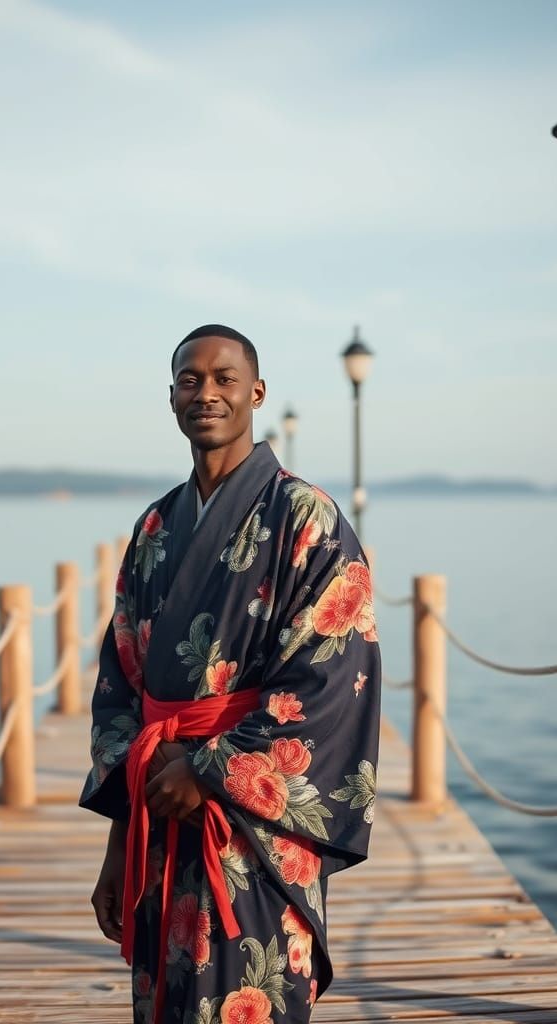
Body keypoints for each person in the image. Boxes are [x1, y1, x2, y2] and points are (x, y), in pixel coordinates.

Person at [79, 324, 381, 1024]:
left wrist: (210, 770)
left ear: (256, 393)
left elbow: (329, 683)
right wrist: (119, 842)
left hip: (253, 827)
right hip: (159, 805)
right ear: (173, 397)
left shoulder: (307, 518)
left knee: (250, 991)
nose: (206, 393)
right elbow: (121, 685)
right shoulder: (155, 528)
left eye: (223, 378)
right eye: (190, 379)